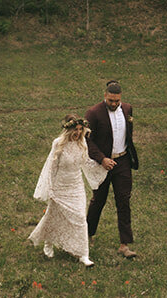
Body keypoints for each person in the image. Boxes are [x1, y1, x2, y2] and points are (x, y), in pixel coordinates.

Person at [28, 113, 107, 266]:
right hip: (60, 186)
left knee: (80, 218)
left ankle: (83, 254)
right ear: (68, 130)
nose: (78, 133)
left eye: (80, 129)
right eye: (75, 130)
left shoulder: (82, 142)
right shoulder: (58, 143)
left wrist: (102, 166)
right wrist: (50, 189)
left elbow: (86, 162)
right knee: (53, 215)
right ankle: (48, 243)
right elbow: (51, 168)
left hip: (76, 186)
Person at [84, 79, 138, 259]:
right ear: (105, 96)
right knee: (98, 200)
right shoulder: (93, 113)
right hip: (103, 164)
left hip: (122, 162)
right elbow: (87, 140)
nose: (114, 104)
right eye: (110, 101)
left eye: (117, 101)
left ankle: (124, 244)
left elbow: (128, 133)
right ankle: (88, 235)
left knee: (124, 201)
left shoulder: (128, 109)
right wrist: (102, 159)